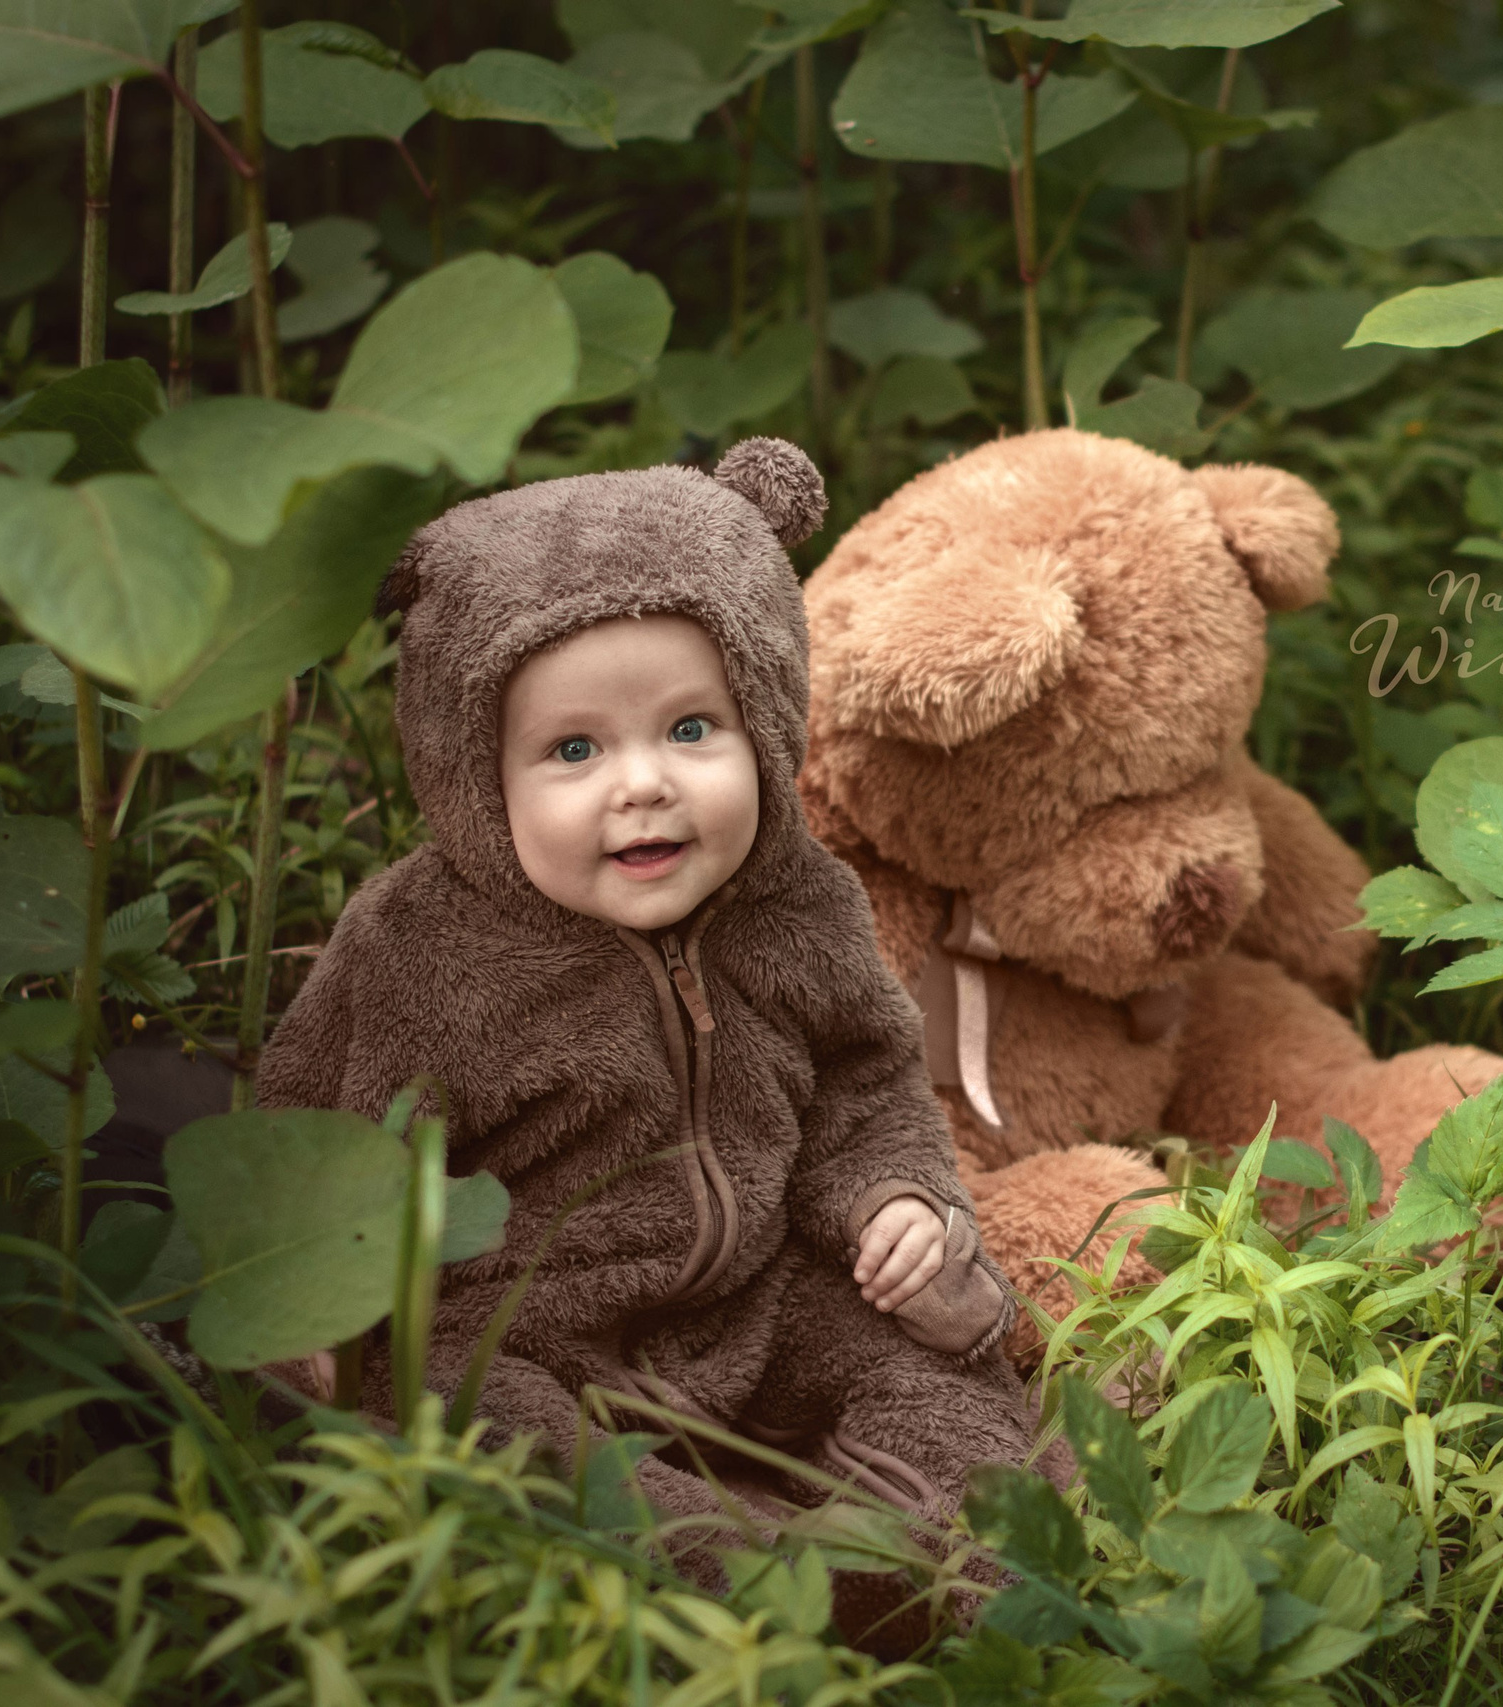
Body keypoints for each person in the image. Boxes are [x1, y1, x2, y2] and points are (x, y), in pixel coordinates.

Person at [254, 441, 1037, 1628]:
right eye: (574, 750)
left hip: (755, 1299)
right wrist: (314, 1298)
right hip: (521, 1332)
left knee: (924, 1363)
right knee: (484, 1429)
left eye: (690, 729)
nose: (643, 785)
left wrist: (893, 1201)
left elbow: (865, 1081)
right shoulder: (417, 950)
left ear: (764, 719)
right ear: (474, 774)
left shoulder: (798, 903)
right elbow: (313, 1132)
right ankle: (737, 1584)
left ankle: (942, 1554)